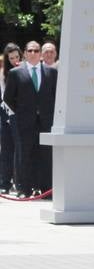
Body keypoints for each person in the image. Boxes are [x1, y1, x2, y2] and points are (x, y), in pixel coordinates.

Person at [2, 41, 57, 198]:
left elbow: (55, 96)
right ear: (25, 53)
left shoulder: (51, 72)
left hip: (46, 121)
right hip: (24, 122)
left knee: (45, 155)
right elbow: (8, 98)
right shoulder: (16, 73)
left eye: (36, 50)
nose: (33, 53)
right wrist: (20, 113)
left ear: (40, 53)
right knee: (24, 155)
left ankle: (46, 190)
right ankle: (24, 189)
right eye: (30, 50)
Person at [0, 43, 22, 194]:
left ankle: (20, 182)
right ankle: (5, 182)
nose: (14, 60)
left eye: (16, 57)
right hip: (5, 113)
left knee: (20, 150)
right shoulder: (3, 73)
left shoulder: (24, 70)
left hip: (20, 114)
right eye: (11, 58)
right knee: (6, 149)